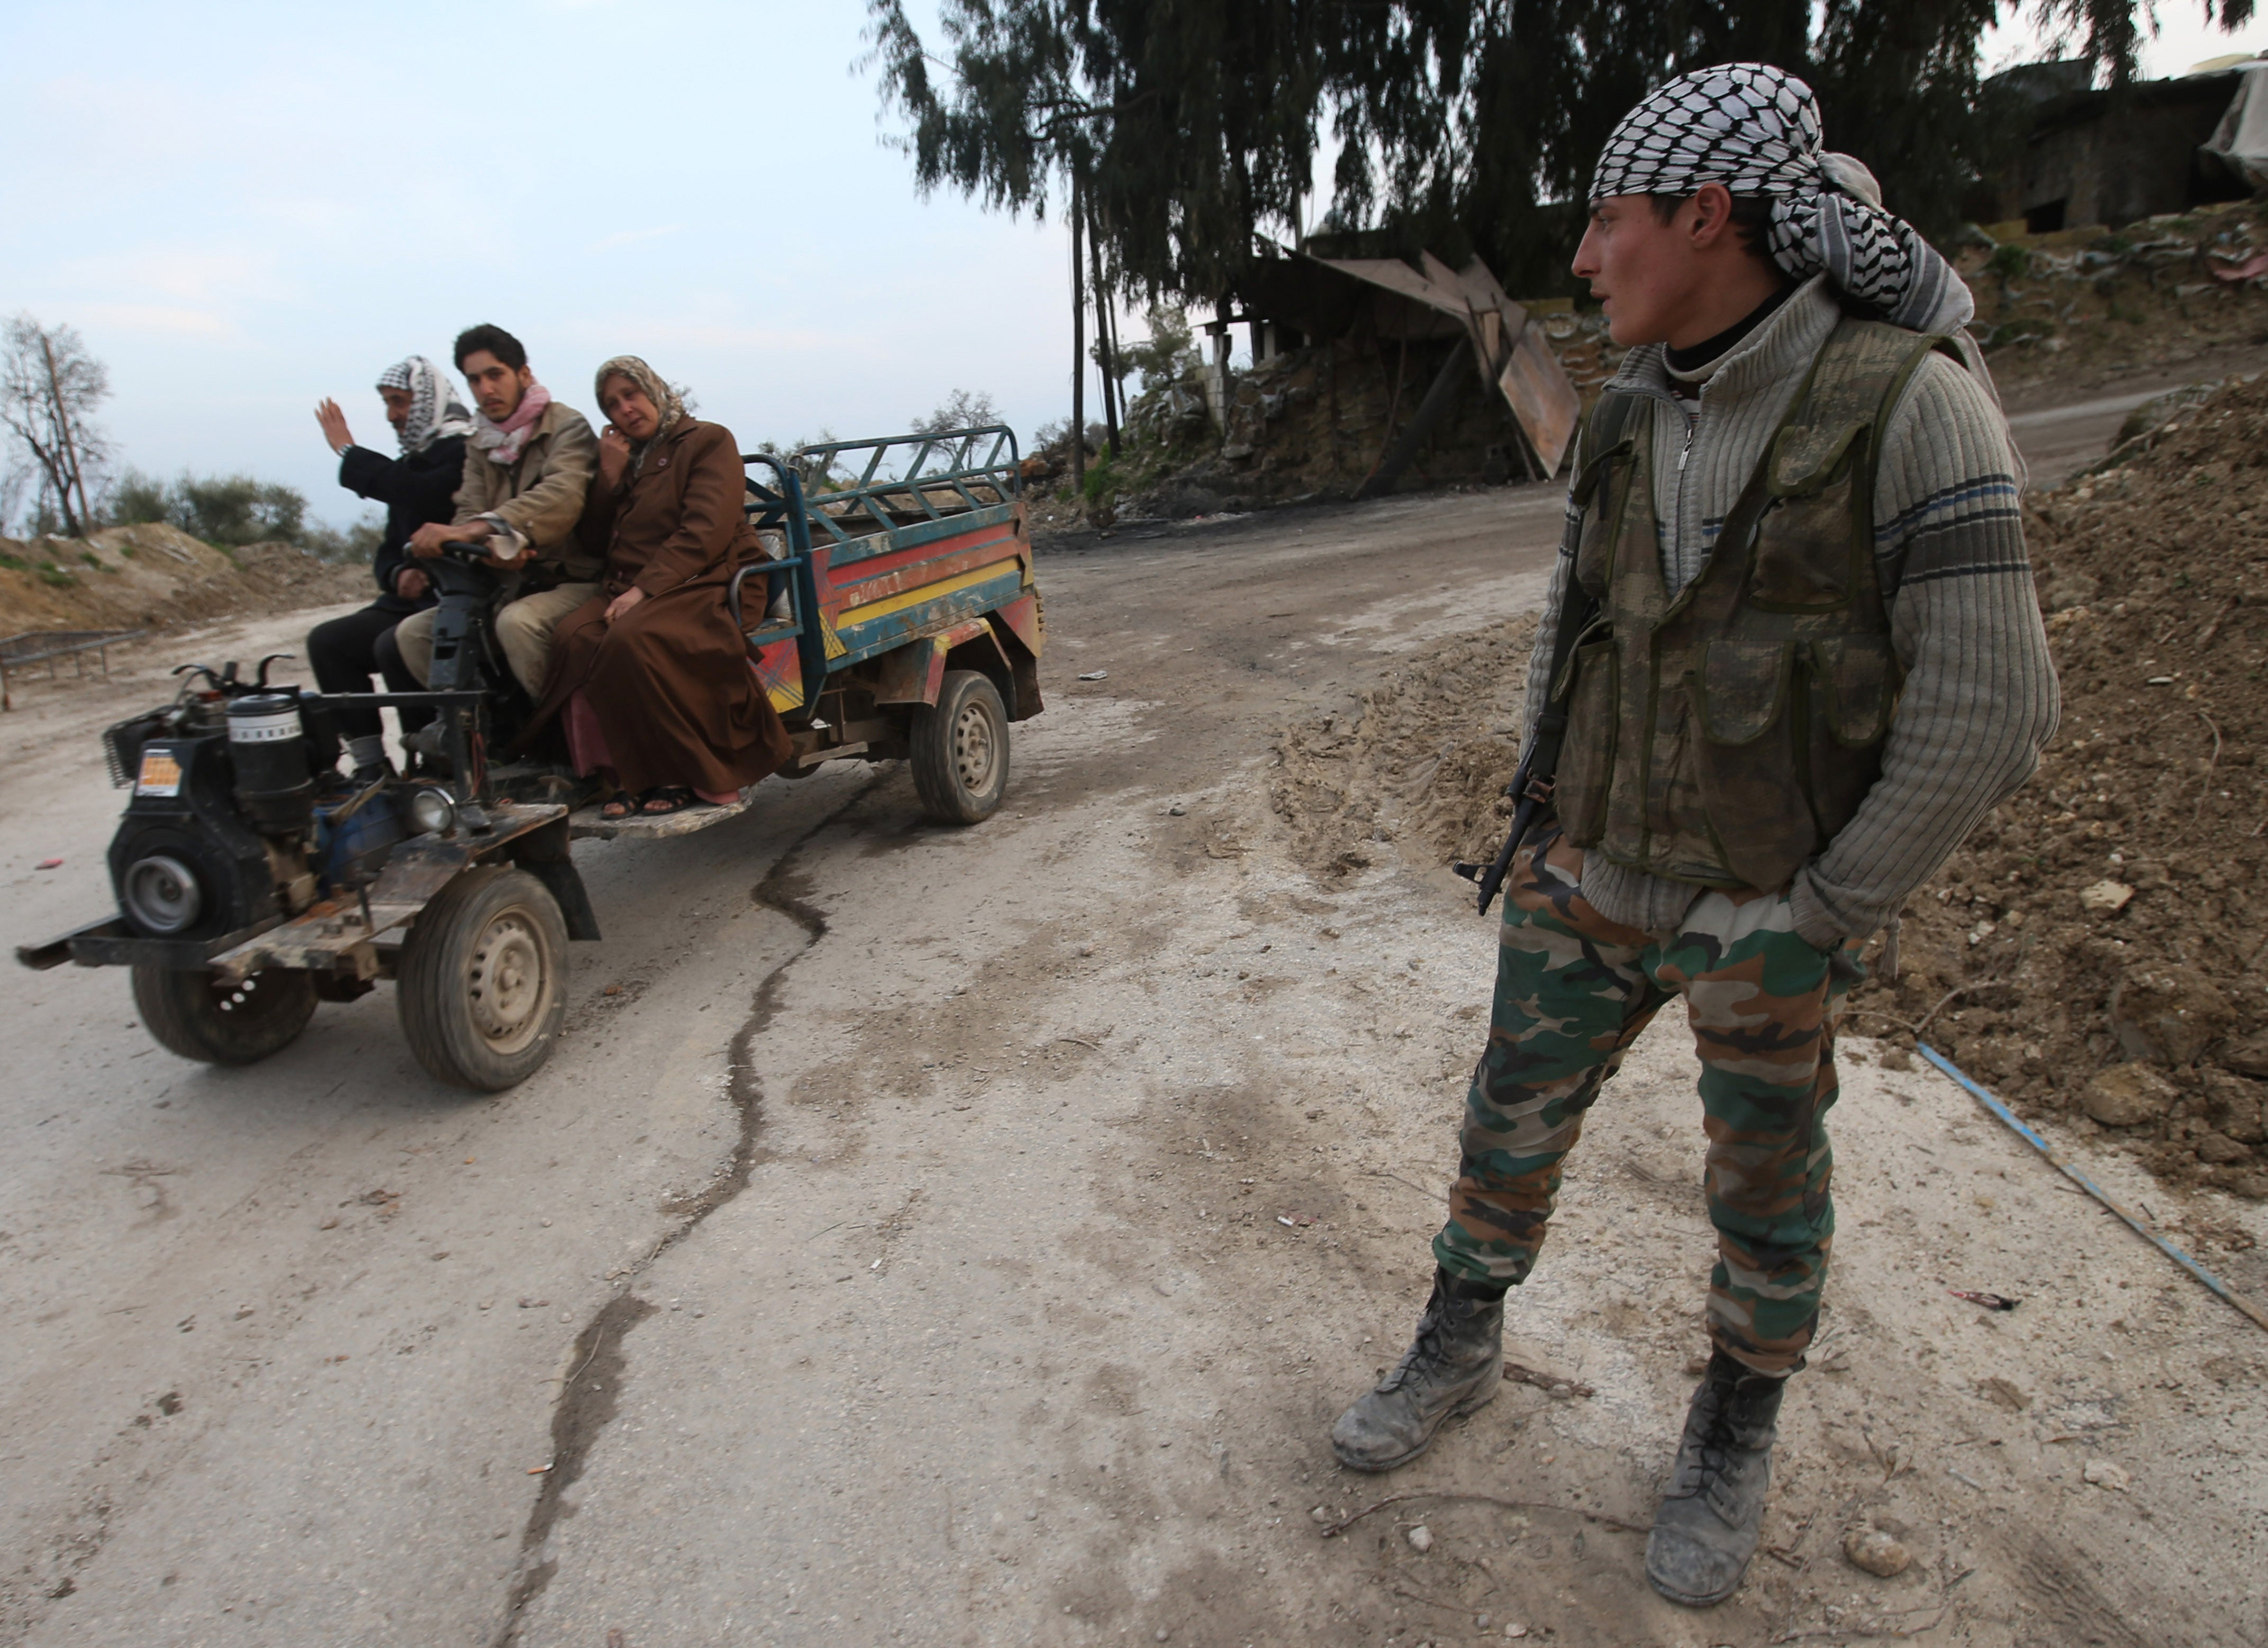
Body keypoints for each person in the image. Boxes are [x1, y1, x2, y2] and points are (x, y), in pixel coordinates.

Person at [1328, 64, 2058, 1610]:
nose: (1583, 262)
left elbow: (1993, 704)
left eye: (1605, 221)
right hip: (1587, 871)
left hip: (1764, 915)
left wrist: (1824, 907)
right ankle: (1458, 1342)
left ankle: (1732, 1429)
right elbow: (1572, 626)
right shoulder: (1628, 418)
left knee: (1763, 1193)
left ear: (1706, 215)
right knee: (1502, 1137)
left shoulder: (1909, 406)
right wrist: (1536, 821)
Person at [516, 356, 793, 815]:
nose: (625, 408)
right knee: (574, 639)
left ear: (656, 390)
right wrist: (607, 477)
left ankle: (689, 772)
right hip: (638, 586)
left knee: (632, 640)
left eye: (632, 394)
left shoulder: (707, 440)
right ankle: (617, 775)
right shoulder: (629, 460)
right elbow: (594, 541)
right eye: (612, 404)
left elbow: (704, 531)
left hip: (707, 579)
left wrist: (642, 591)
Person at [388, 324, 598, 697]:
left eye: (495, 375)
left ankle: (558, 739)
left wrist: (480, 534)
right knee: (415, 633)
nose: (486, 389)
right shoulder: (479, 443)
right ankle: (481, 737)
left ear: (523, 374)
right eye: (474, 380)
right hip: (509, 583)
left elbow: (561, 496)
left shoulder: (566, 427)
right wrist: (484, 551)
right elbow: (467, 508)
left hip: (575, 580)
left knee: (518, 623)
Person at [303, 358, 470, 777]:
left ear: (427, 402)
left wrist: (348, 452)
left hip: (455, 598)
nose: (393, 415)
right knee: (329, 642)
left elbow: (419, 494)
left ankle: (433, 762)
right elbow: (388, 549)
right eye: (388, 404)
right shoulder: (414, 458)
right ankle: (371, 766)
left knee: (393, 643)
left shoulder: (465, 452)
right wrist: (398, 574)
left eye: (400, 403)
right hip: (406, 601)